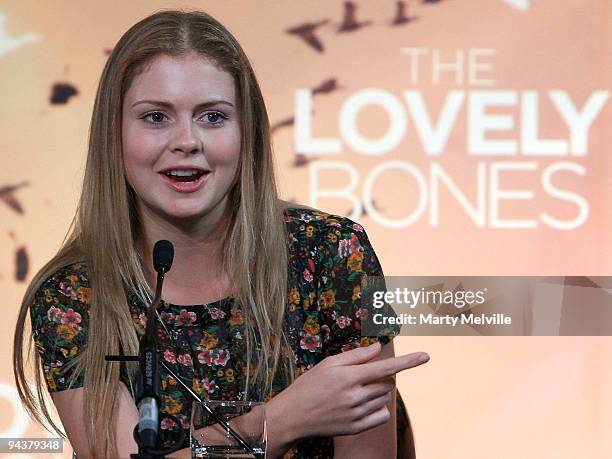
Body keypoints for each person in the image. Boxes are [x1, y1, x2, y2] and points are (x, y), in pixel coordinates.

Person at [13, 9, 429, 458]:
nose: (187, 140)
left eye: (212, 117)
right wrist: (281, 420)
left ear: (246, 132)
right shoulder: (74, 295)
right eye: (156, 117)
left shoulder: (332, 255)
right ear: (113, 134)